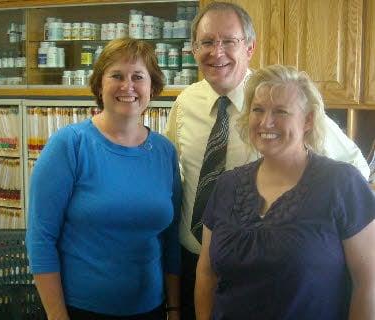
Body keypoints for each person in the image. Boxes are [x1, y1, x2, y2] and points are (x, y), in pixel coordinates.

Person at [164, 2, 370, 318]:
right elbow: (174, 179)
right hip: (201, 261)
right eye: (206, 42)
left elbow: (353, 169)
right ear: (194, 49)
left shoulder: (280, 93)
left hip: (286, 273)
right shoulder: (184, 103)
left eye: (228, 41)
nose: (216, 52)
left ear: (250, 47)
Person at [195, 64, 375, 319]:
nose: (266, 122)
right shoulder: (227, 185)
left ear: (308, 120)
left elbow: (368, 284)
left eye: (281, 111)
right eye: (258, 109)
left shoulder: (342, 183)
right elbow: (206, 272)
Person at [26, 38, 181, 320]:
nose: (128, 86)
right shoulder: (69, 145)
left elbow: (170, 241)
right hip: (80, 310)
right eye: (116, 76)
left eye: (138, 77)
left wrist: (174, 307)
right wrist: (57, 316)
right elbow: (40, 239)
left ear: (153, 87)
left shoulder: (164, 152)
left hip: (152, 308)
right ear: (99, 85)